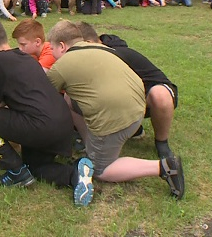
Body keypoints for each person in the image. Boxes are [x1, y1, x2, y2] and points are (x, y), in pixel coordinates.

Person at [46, 20, 185, 200]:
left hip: (116, 120)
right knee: (69, 99)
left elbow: (43, 96)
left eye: (52, 48)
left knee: (101, 170)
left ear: (62, 46)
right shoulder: (104, 49)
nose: (51, 53)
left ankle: (165, 167)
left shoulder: (62, 66)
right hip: (138, 111)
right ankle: (92, 147)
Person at [0, 19, 94, 207]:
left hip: (40, 126)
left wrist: (3, 101)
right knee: (35, 167)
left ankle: (15, 172)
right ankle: (74, 174)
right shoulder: (26, 57)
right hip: (61, 125)